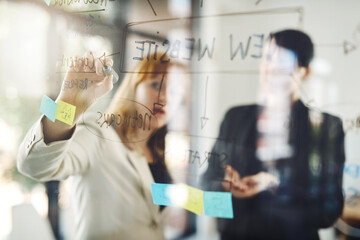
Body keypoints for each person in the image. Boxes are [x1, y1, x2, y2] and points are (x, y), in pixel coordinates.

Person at [17, 52, 182, 239]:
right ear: (133, 87)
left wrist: (220, 202)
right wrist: (67, 104)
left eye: (175, 91)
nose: (165, 97)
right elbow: (33, 165)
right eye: (155, 84)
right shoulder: (97, 133)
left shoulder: (157, 152)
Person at [202, 29, 345, 240]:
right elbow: (205, 192)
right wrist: (225, 190)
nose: (270, 69)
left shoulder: (326, 127)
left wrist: (277, 186)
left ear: (304, 72)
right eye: (267, 58)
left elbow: (328, 212)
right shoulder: (235, 118)